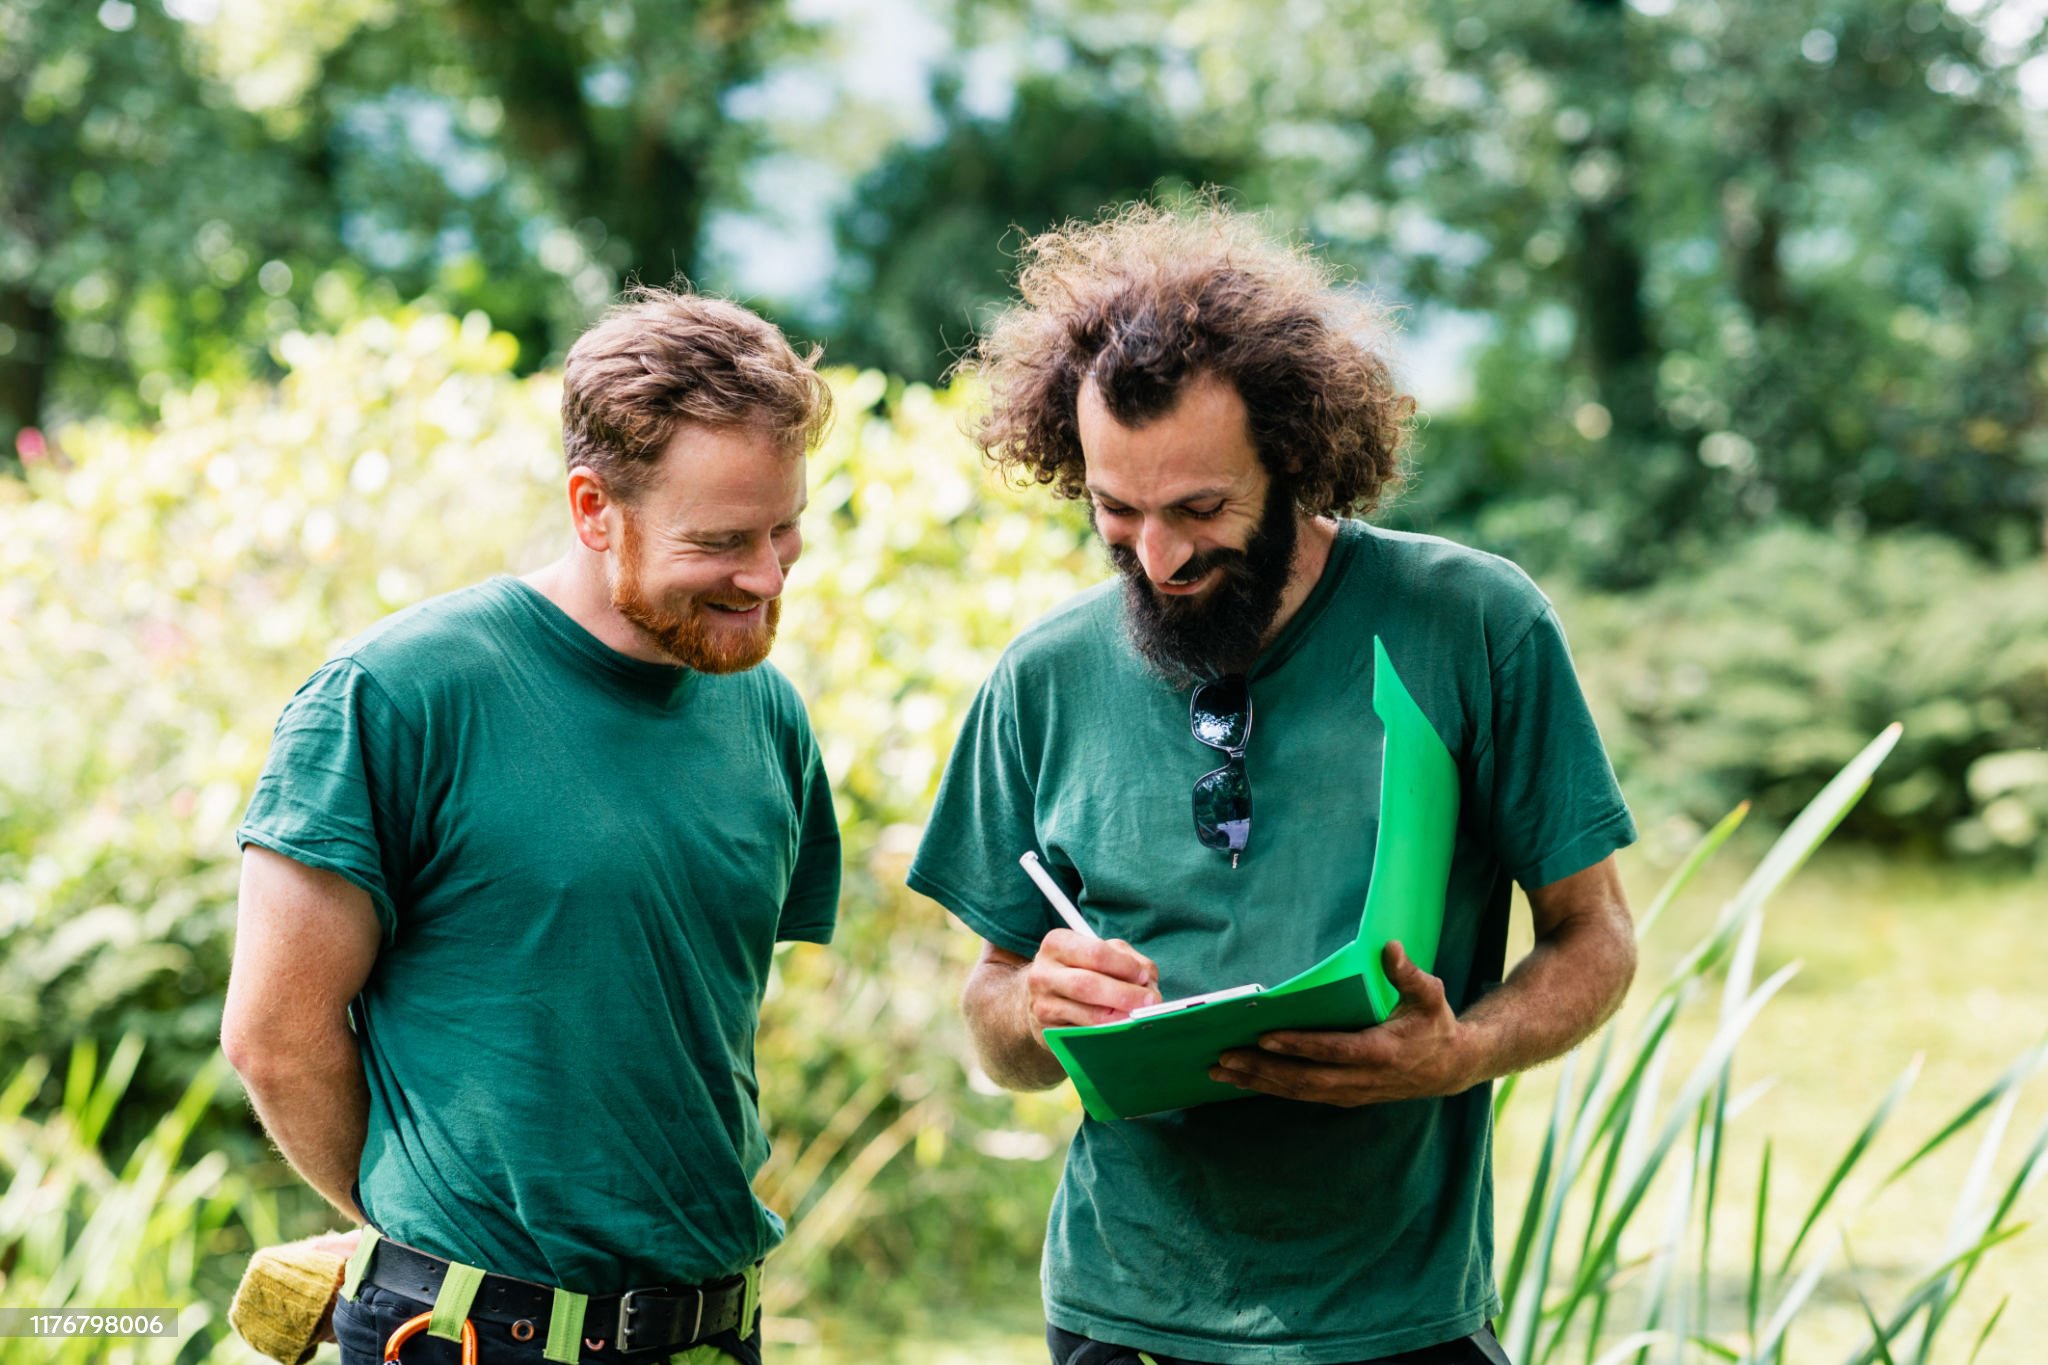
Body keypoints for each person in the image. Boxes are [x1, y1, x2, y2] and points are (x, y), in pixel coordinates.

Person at [907, 205, 1639, 1365]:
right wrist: (1035, 1011)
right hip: (1119, 1318)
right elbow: (991, 1015)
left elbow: (1594, 938)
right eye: (1115, 510)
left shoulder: (1475, 625)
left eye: (1199, 509)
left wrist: (1459, 1052)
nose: (1156, 555)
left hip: (1398, 1323)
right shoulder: (1041, 679)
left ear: (1295, 460)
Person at [221, 287, 842, 1365]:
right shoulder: (396, 695)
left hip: (713, 1329)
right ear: (594, 509)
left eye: (785, 528)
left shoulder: (766, 713)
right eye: (723, 540)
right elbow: (275, 1037)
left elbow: (675, 1018)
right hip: (463, 1333)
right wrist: (427, 1240)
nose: (765, 574)